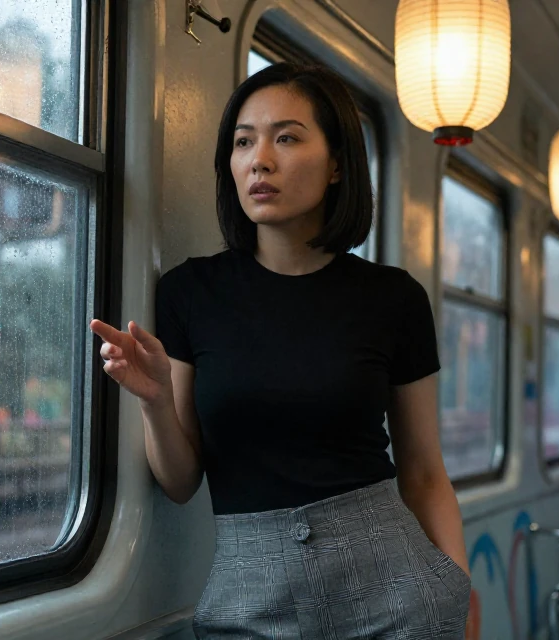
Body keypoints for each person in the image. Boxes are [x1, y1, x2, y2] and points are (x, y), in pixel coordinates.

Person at [89, 62, 470, 639]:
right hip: (249, 596)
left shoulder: (394, 299)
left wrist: (458, 588)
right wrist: (156, 401)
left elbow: (422, 473)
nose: (259, 160)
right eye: (243, 142)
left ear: (338, 164)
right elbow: (180, 481)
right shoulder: (192, 293)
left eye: (286, 138)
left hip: (398, 593)